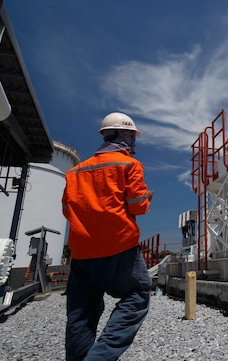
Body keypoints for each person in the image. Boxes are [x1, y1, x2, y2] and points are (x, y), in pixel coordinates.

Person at [62, 112, 154, 361]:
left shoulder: (75, 172)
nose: (133, 142)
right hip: (119, 246)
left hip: (82, 251)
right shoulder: (128, 165)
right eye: (133, 137)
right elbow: (137, 206)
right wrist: (146, 197)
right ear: (125, 136)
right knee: (137, 295)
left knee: (81, 313)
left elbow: (67, 210)